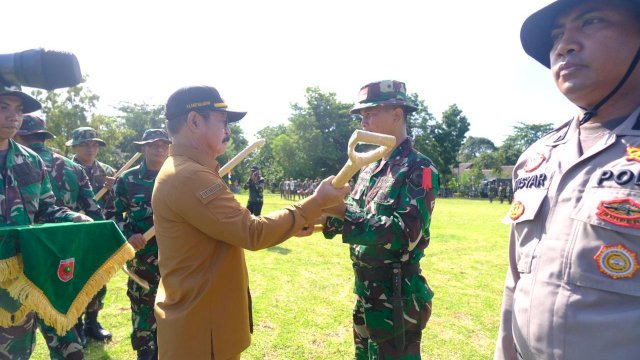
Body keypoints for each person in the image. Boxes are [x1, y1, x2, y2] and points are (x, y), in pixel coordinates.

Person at [151, 85, 350, 360]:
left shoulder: (187, 171)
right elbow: (253, 233)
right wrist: (316, 201)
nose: (228, 131)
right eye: (222, 122)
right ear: (194, 121)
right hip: (201, 336)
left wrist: (293, 223)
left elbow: (231, 229)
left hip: (200, 326)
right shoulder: (190, 176)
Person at [495, 1, 640, 359]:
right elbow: (517, 279)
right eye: (557, 35)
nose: (564, 44)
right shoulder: (537, 157)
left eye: (590, 21)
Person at [320, 80, 440, 359]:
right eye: (362, 116)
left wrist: (343, 212)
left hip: (397, 298)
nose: (364, 121)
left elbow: (404, 236)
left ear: (397, 115)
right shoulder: (369, 167)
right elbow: (353, 212)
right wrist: (324, 218)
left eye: (371, 113)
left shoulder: (419, 168)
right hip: (366, 293)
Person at [0, 87, 93, 359]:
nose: (13, 117)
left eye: (18, 110)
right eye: (4, 107)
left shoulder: (30, 161)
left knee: (15, 354)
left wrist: (74, 217)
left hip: (21, 280)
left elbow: (46, 209)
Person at [13, 114, 105, 356]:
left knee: (13, 343)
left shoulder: (24, 162)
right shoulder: (74, 168)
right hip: (61, 260)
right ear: (44, 136)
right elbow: (95, 214)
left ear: (18, 134)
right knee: (65, 337)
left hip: (14, 264)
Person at [114, 129, 171, 360]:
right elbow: (112, 216)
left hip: (176, 259)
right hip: (143, 262)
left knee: (173, 315)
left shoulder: (178, 177)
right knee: (143, 309)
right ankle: (145, 351)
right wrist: (128, 234)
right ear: (142, 148)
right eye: (152, 145)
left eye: (163, 145)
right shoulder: (127, 180)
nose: (158, 149)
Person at [66, 127, 116, 343]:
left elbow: (115, 205)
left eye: (94, 144)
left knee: (98, 279)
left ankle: (92, 323)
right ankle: (75, 324)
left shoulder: (107, 171)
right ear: (75, 146)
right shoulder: (63, 168)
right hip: (73, 235)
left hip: (97, 234)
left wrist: (114, 187)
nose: (90, 148)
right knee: (73, 280)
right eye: (85, 144)